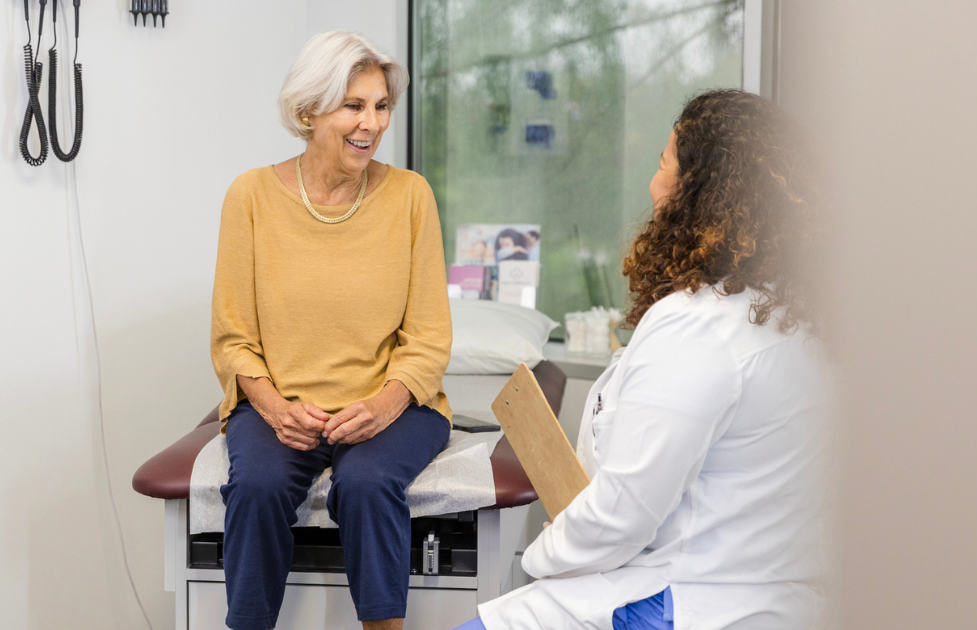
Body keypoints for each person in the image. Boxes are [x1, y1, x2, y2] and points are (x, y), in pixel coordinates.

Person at [459, 89, 829, 630]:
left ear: (696, 194)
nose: (653, 184)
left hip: (673, 602)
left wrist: (549, 549)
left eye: (663, 165)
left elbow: (622, 515)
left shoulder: (698, 325)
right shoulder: (796, 318)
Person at [210, 30, 453, 630]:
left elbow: (428, 338)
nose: (370, 123)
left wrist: (383, 404)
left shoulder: (410, 196)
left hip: (393, 405)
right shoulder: (251, 197)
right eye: (353, 106)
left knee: (367, 482)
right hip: (284, 404)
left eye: (380, 106)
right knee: (258, 488)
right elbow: (233, 337)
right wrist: (271, 407)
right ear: (307, 111)